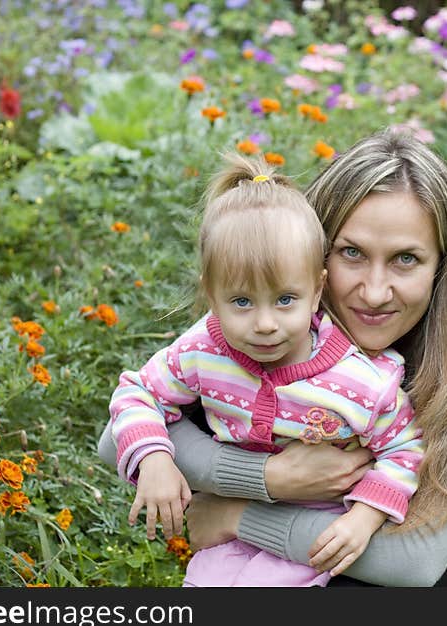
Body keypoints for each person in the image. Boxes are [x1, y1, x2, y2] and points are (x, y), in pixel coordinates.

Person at [99, 128, 447, 586]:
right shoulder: (277, 315)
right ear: (315, 260)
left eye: (406, 259)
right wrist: (269, 478)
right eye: (352, 252)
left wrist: (237, 516)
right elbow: (116, 436)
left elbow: (413, 563)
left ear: (442, 264)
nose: (373, 293)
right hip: (311, 526)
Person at [107, 152, 424, 587]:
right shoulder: (204, 350)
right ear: (211, 295)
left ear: (317, 291)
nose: (265, 324)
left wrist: (366, 516)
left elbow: (404, 449)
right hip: (225, 539)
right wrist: (156, 459)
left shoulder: (361, 383)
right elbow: (138, 392)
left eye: (284, 301)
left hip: (310, 537)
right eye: (241, 302)